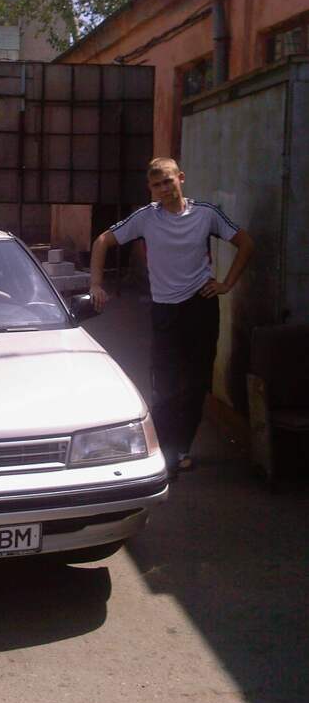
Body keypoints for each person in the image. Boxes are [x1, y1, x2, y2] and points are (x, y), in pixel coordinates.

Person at [89, 157, 254, 477]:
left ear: (181, 178)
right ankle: (166, 451)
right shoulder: (146, 218)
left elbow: (246, 243)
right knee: (164, 385)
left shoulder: (205, 214)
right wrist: (96, 283)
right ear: (150, 189)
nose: (164, 189)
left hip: (201, 306)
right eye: (157, 185)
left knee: (196, 382)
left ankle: (181, 448)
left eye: (168, 181)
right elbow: (102, 241)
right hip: (165, 309)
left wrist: (226, 284)